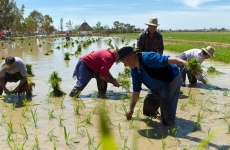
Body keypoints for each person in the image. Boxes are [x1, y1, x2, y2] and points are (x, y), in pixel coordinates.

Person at [117, 46, 186, 126]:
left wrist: (188, 64)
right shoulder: (134, 71)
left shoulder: (147, 58)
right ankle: (155, 114)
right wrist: (131, 108)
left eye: (124, 62)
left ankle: (169, 126)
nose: (125, 65)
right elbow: (136, 91)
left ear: (131, 58)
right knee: (148, 108)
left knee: (166, 112)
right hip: (156, 84)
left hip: (171, 79)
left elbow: (170, 60)